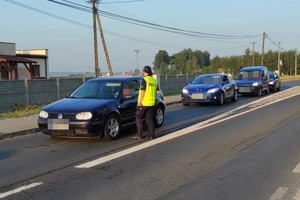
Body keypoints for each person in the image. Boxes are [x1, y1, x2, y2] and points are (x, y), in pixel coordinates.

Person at [133, 66, 160, 140]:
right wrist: (151, 91)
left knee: (138, 117)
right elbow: (158, 91)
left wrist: (139, 102)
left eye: (143, 71)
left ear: (145, 72)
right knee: (149, 119)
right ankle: (151, 135)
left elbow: (142, 91)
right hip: (152, 103)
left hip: (144, 102)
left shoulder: (144, 79)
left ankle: (140, 135)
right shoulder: (154, 80)